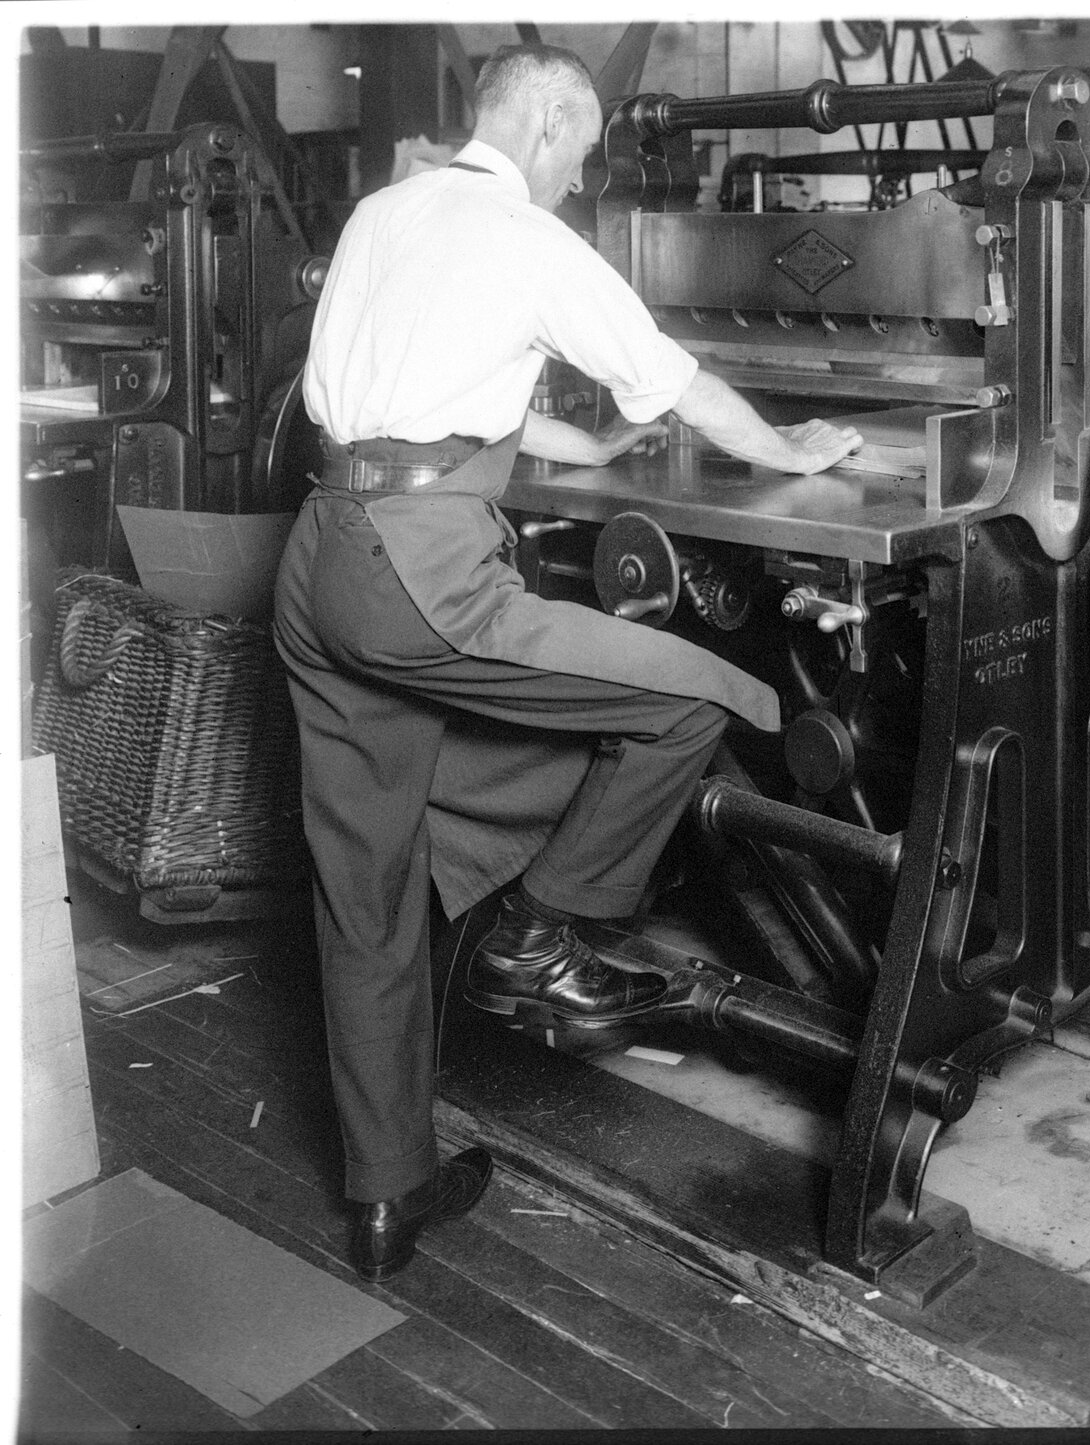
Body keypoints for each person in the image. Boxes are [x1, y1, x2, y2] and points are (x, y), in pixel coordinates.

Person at [274, 42, 862, 1283]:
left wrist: (581, 459)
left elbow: (419, 391)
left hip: (319, 557)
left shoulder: (387, 211)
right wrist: (791, 451)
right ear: (544, 118)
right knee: (699, 696)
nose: (581, 172)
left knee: (365, 891)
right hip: (420, 570)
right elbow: (675, 377)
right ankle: (538, 938)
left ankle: (388, 1196)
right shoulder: (525, 235)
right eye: (582, 147)